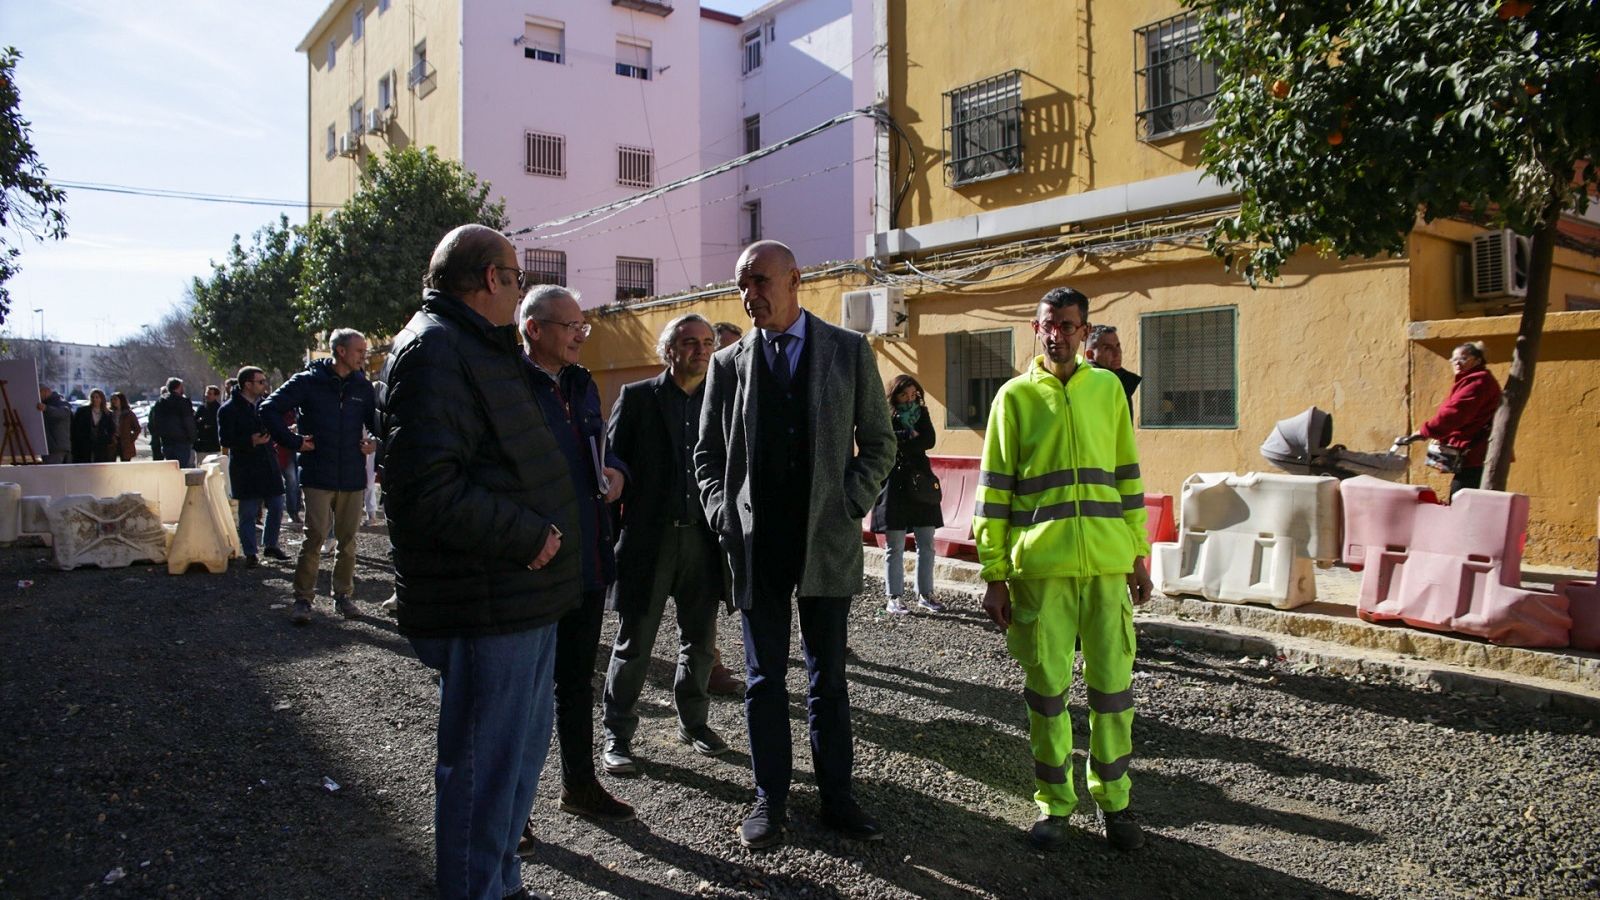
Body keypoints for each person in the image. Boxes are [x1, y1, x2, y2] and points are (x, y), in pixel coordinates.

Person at [378, 223, 579, 900]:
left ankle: (501, 881)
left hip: (521, 599)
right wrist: (526, 536)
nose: (520, 288)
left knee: (516, 764)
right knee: (482, 771)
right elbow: (425, 491)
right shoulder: (434, 351)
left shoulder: (470, 345)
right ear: (490, 279)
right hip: (487, 599)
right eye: (517, 276)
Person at [695, 240, 896, 850]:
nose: (749, 296)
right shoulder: (728, 364)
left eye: (759, 282)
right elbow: (705, 457)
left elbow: (881, 443)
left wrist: (849, 503)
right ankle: (770, 798)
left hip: (823, 542)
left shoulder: (847, 350)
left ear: (794, 281)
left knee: (827, 679)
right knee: (762, 680)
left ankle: (837, 796)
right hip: (758, 545)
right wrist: (722, 513)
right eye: (742, 286)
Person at [975, 286, 1152, 854]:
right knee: (1047, 694)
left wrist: (1139, 554)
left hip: (1105, 566)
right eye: (1049, 324)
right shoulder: (1014, 398)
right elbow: (994, 492)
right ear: (1036, 327)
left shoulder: (1108, 392)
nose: (1058, 334)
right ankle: (1054, 804)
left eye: (1070, 325)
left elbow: (1127, 476)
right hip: (1040, 572)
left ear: (1085, 330)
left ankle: (1116, 800)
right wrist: (995, 573)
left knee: (1113, 693)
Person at [517, 284, 635, 828]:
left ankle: (579, 785)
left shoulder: (582, 384)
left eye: (583, 326)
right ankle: (512, 813)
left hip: (587, 557)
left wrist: (617, 473)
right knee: (524, 693)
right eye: (571, 327)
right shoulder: (510, 386)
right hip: (535, 563)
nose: (580, 336)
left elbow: (602, 448)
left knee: (574, 682)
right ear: (533, 329)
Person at [600, 314, 730, 781]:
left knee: (700, 642)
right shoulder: (637, 398)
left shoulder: (723, 399)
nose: (700, 350)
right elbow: (613, 459)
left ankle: (693, 722)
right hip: (650, 539)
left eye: (706, 342)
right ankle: (617, 733)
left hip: (703, 538)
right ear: (668, 350)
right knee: (636, 641)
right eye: (689, 342)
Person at [262, 329, 378, 624]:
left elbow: (378, 423)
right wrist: (293, 442)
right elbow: (269, 409)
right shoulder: (307, 382)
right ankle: (303, 600)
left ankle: (343, 596)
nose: (363, 356)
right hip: (317, 473)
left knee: (348, 540)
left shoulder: (362, 387)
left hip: (351, 474)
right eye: (358, 351)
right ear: (340, 351)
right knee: (314, 537)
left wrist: (376, 442)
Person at [870, 374, 946, 615]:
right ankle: (894, 597)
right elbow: (886, 442)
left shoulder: (921, 414)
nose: (910, 399)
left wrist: (906, 439)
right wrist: (909, 437)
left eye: (914, 394)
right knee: (895, 545)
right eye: (905, 394)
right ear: (895, 395)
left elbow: (930, 440)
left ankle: (925, 594)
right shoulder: (885, 415)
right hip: (894, 486)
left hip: (920, 483)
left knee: (927, 543)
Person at [704, 316, 749, 696]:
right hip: (697, 512)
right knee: (701, 599)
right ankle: (711, 664)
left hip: (729, 515)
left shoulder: (742, 391)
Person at [1396, 341, 1502, 498]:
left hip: (1476, 451)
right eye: (1454, 359)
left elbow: (1455, 413)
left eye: (1463, 358)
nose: (1457, 363)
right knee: (1466, 496)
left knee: (1462, 498)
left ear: (1478, 360)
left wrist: (1425, 432)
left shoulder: (1477, 382)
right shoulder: (1474, 380)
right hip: (1476, 451)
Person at [218, 367, 289, 567]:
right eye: (260, 381)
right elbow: (225, 439)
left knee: (276, 505)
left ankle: (271, 544)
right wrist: (250, 440)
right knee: (248, 511)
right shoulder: (228, 409)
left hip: (268, 462)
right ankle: (250, 552)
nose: (264, 385)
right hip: (245, 466)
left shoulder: (265, 406)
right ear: (247, 384)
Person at [1085, 324, 1141, 413]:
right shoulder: (1084, 384)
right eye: (1107, 348)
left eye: (1117, 346)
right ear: (1090, 354)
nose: (1117, 353)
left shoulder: (1122, 380)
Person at [148, 378, 197, 466]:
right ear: (178, 387)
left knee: (171, 468)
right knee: (182, 468)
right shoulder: (183, 402)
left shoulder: (160, 402)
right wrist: (192, 438)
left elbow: (155, 422)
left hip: (166, 441)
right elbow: (188, 422)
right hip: (182, 441)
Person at [70, 388, 117, 463]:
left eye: (97, 397)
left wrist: (107, 440)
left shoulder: (107, 414)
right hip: (84, 445)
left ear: (101, 399)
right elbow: (75, 428)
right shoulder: (82, 411)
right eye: (93, 397)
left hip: (100, 446)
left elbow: (112, 429)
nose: (95, 399)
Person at [36, 385, 71, 464]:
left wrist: (46, 408)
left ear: (46, 391)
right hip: (49, 446)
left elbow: (63, 412)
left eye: (39, 393)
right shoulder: (47, 402)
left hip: (56, 447)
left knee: (53, 473)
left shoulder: (59, 401)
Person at [109, 392, 141, 461]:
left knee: (125, 462)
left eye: (115, 399)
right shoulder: (110, 413)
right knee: (111, 462)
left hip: (125, 442)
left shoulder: (129, 414)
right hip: (113, 442)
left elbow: (137, 429)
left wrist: (131, 439)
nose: (113, 401)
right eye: (112, 399)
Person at [193, 385, 223, 459]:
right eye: (206, 393)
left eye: (210, 394)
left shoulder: (219, 409)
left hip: (214, 445)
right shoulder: (201, 408)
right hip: (202, 445)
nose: (207, 395)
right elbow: (195, 422)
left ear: (216, 396)